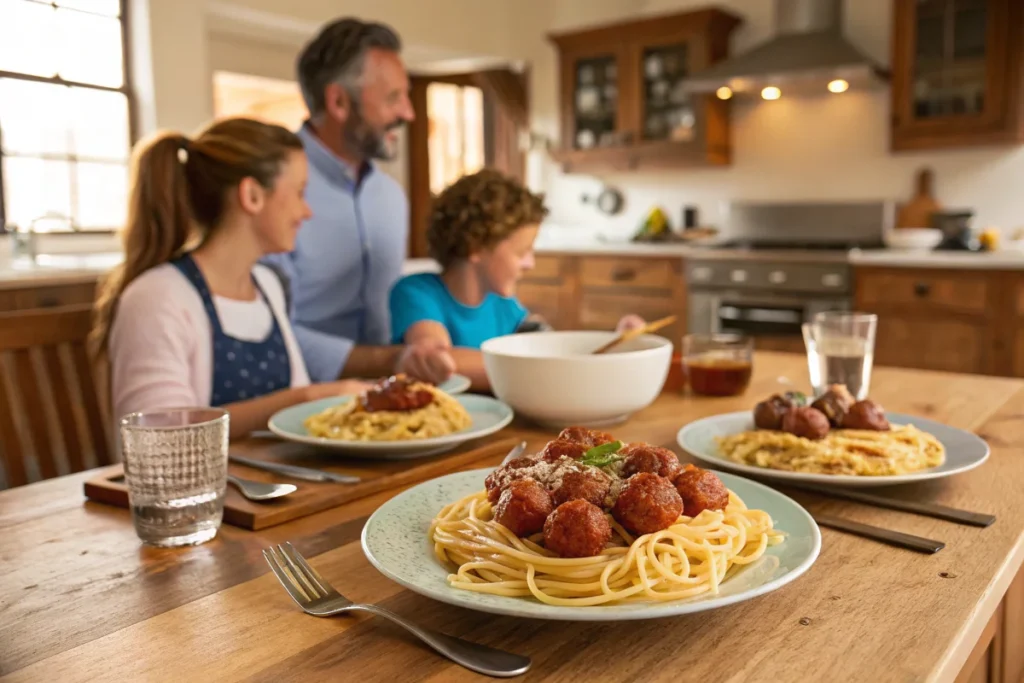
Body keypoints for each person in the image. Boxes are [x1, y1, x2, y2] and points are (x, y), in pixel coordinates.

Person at [92, 118, 375, 439]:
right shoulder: (157, 296)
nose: (306, 211)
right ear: (252, 195)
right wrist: (304, 398)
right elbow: (158, 435)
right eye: (299, 193)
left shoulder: (268, 285)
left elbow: (300, 420)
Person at [263, 17, 454, 385]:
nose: (408, 114)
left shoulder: (390, 197)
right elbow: (267, 335)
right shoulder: (269, 193)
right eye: (393, 98)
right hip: (299, 408)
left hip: (387, 401)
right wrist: (393, 358)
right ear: (338, 101)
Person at [388, 169, 645, 390]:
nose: (530, 264)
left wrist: (614, 342)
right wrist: (542, 368)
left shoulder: (503, 304)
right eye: (522, 252)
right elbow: (440, 360)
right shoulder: (417, 292)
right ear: (475, 247)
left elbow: (548, 346)